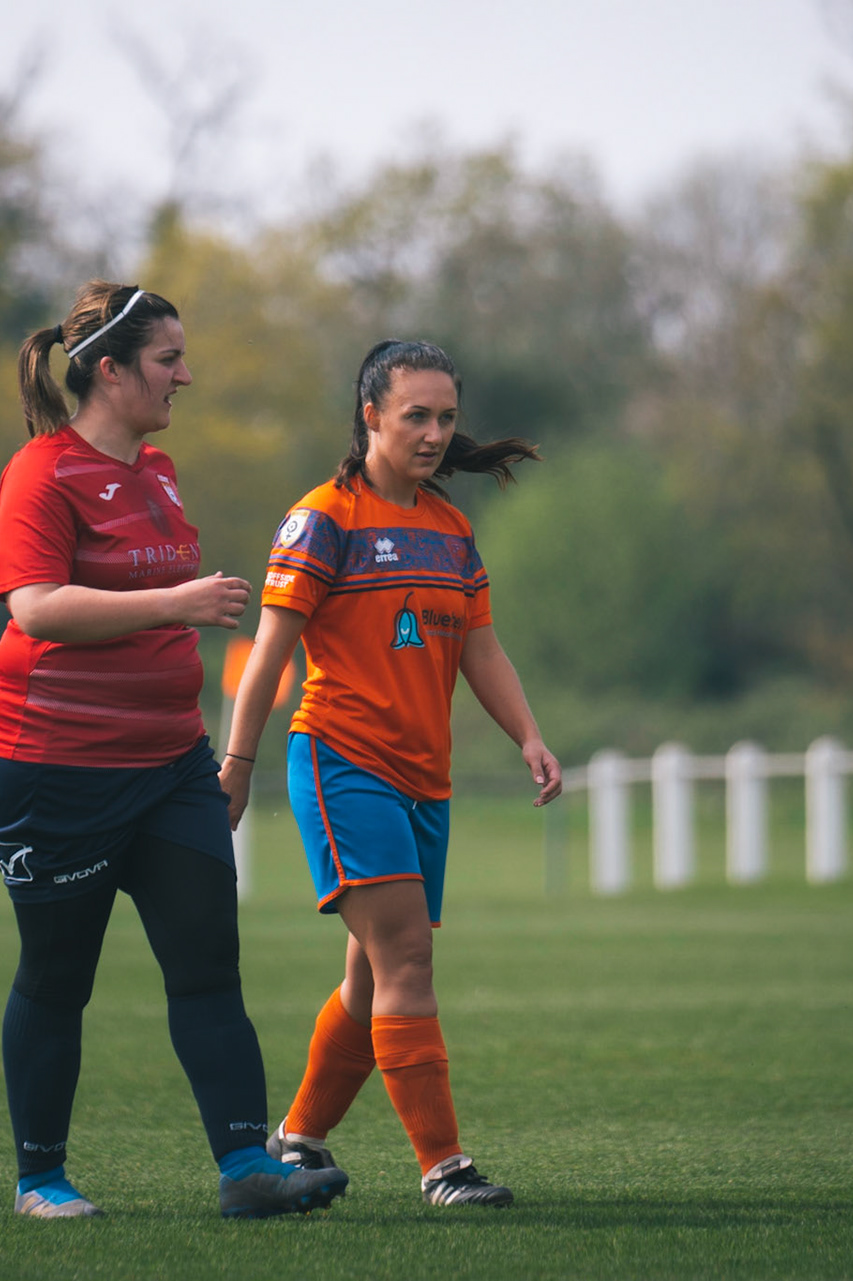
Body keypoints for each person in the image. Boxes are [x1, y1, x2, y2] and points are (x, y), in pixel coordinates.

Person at [0, 280, 348, 1220]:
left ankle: (248, 1169)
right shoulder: (40, 474)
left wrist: (225, 754)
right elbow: (37, 608)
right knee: (58, 979)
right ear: (110, 370)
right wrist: (174, 603)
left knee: (209, 964)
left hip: (172, 766)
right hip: (53, 771)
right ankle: (40, 1180)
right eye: (168, 359)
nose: (186, 375)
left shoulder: (160, 470)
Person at [218, 339, 563, 1209]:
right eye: (417, 415)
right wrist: (237, 763)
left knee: (371, 979)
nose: (435, 433)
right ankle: (445, 1168)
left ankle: (296, 1139)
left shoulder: (450, 528)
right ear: (370, 415)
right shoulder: (323, 518)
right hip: (343, 763)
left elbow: (481, 647)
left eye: (447, 417)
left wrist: (527, 734)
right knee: (408, 957)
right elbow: (268, 654)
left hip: (424, 780)